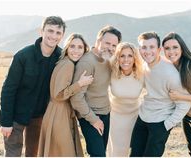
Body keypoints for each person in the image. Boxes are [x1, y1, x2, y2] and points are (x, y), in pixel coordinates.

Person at [0, 16, 66, 157]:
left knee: (33, 154)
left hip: (40, 117)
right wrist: (5, 122)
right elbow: (8, 90)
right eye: (50, 31)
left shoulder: (61, 58)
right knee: (12, 153)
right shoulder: (23, 56)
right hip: (15, 115)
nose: (54, 36)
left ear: (62, 35)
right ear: (41, 31)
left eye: (58, 33)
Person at [130, 31, 191, 157]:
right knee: (134, 154)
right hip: (143, 117)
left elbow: (184, 104)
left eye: (151, 47)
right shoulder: (144, 65)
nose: (147, 51)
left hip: (160, 122)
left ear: (159, 49)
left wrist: (166, 126)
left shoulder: (171, 75)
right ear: (139, 49)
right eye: (143, 47)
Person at [38, 33, 94, 156]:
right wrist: (79, 83)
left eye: (80, 47)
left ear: (85, 49)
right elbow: (58, 95)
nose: (76, 51)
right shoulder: (67, 65)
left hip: (58, 112)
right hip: (59, 114)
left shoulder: (65, 62)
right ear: (67, 48)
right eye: (72, 46)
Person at [70, 25, 122, 157]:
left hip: (105, 113)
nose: (110, 48)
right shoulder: (87, 62)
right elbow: (76, 98)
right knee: (97, 155)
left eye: (114, 45)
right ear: (98, 41)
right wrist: (93, 120)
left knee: (100, 154)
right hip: (90, 116)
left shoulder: (107, 60)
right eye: (107, 43)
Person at [107, 42, 144, 157]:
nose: (126, 59)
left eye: (130, 55)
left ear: (135, 58)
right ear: (117, 57)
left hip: (135, 117)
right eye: (122, 55)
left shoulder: (142, 74)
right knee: (116, 152)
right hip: (115, 118)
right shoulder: (110, 72)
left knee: (134, 151)